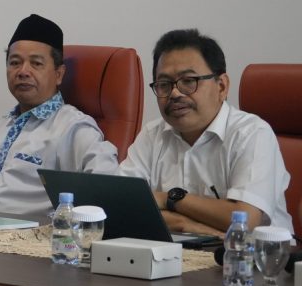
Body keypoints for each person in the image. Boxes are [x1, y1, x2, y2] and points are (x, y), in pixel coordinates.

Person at [119, 28, 292, 235]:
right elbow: (122, 205)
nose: (174, 93)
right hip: (176, 258)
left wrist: (169, 199)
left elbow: (244, 219)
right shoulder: (152, 134)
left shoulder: (252, 134)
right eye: (164, 84)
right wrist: (189, 226)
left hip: (256, 262)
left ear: (221, 86)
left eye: (189, 81)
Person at [0, 14, 118, 218]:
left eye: (36, 63)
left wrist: (61, 225)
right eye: (14, 63)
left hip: (24, 240)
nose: (23, 72)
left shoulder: (73, 127)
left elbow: (108, 188)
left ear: (59, 74)